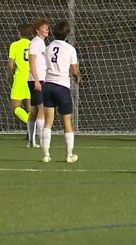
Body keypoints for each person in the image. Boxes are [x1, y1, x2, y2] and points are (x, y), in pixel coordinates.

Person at [41, 21, 82, 163]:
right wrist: (77, 78)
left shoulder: (48, 47)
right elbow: (74, 70)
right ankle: (69, 155)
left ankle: (46, 154)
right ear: (67, 34)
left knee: (48, 121)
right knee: (67, 121)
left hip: (48, 85)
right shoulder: (70, 49)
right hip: (62, 86)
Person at [27, 18, 50, 148]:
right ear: (37, 30)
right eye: (44, 27)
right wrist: (36, 80)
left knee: (35, 110)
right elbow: (32, 62)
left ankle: (31, 141)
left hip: (41, 78)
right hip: (37, 79)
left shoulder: (42, 43)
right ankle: (41, 140)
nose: (47, 29)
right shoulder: (35, 43)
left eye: (47, 27)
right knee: (42, 108)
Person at [6, 24, 32, 127]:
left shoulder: (15, 45)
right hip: (32, 78)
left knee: (15, 107)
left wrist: (9, 77)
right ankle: (31, 134)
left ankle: (32, 126)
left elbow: (10, 65)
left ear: (19, 33)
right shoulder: (33, 45)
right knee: (30, 108)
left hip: (20, 78)